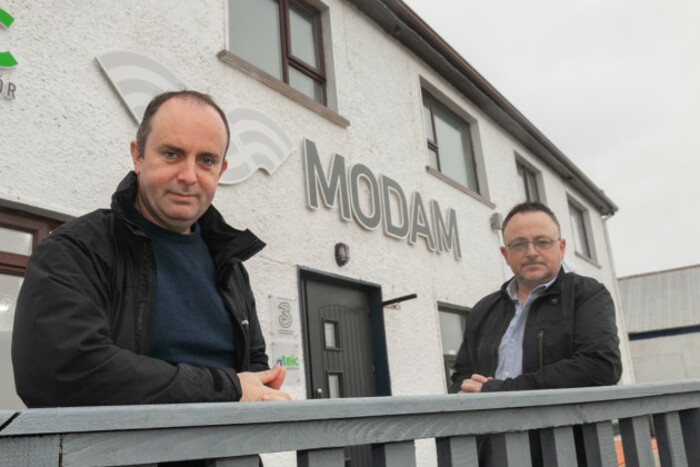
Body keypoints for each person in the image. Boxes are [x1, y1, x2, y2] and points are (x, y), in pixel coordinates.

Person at [12, 90, 290, 407]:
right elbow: (60, 371)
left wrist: (264, 390)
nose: (188, 176)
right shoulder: (76, 250)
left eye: (206, 160)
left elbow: (252, 367)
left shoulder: (230, 265)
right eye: (171, 154)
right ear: (138, 156)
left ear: (221, 171)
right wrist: (228, 389)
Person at [449, 201, 622, 464]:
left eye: (542, 242)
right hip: (492, 453)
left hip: (564, 453)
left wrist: (502, 391)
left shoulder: (587, 295)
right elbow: (461, 376)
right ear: (505, 254)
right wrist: (466, 390)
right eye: (518, 244)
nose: (531, 252)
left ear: (561, 248)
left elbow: (601, 366)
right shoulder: (483, 310)